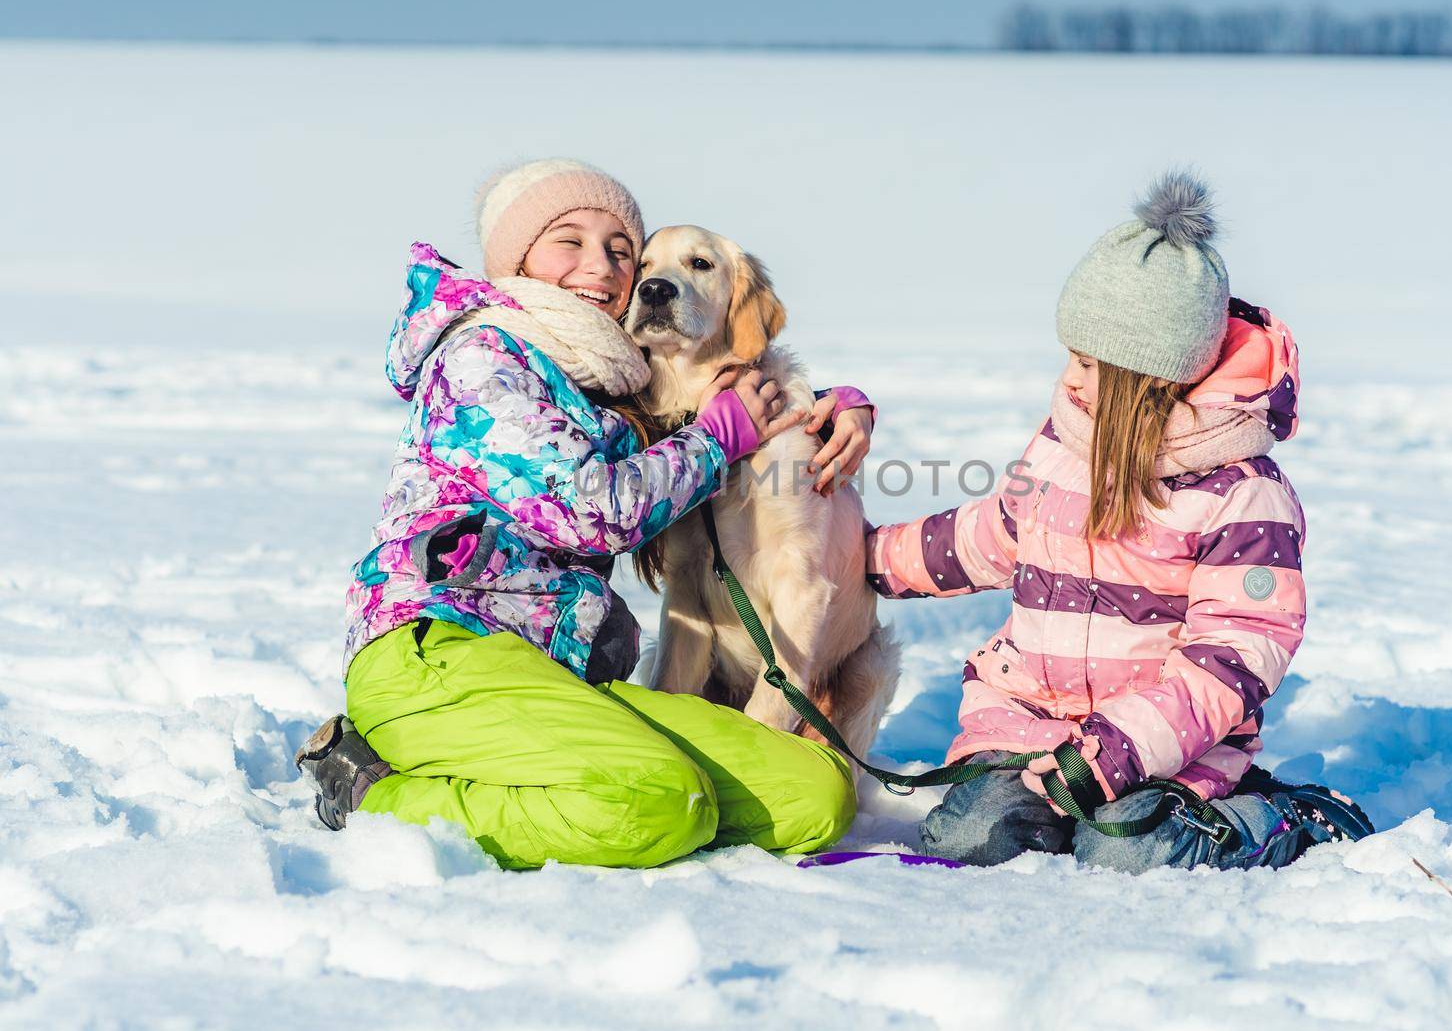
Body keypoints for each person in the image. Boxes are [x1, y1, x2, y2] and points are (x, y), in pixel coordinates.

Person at [297, 159, 876, 869]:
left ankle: (593, 784)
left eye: (618, 250)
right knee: (656, 802)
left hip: (554, 675)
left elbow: (700, 391)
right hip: (440, 650)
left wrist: (826, 401)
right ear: (518, 260)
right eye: (567, 241)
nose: (598, 267)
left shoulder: (604, 377)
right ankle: (370, 791)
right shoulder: (486, 356)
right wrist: (722, 434)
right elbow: (591, 510)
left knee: (814, 796)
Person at [865, 170, 1373, 871]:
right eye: (1068, 355)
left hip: (1165, 747)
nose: (1068, 379)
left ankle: (1284, 817)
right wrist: (864, 560)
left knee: (1125, 849)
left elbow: (1235, 658)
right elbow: (994, 535)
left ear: (1149, 377)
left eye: (1088, 362)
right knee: (966, 838)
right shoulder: (1067, 439)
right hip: (1030, 725)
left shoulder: (1240, 494)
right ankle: (1061, 818)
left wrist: (1116, 752)